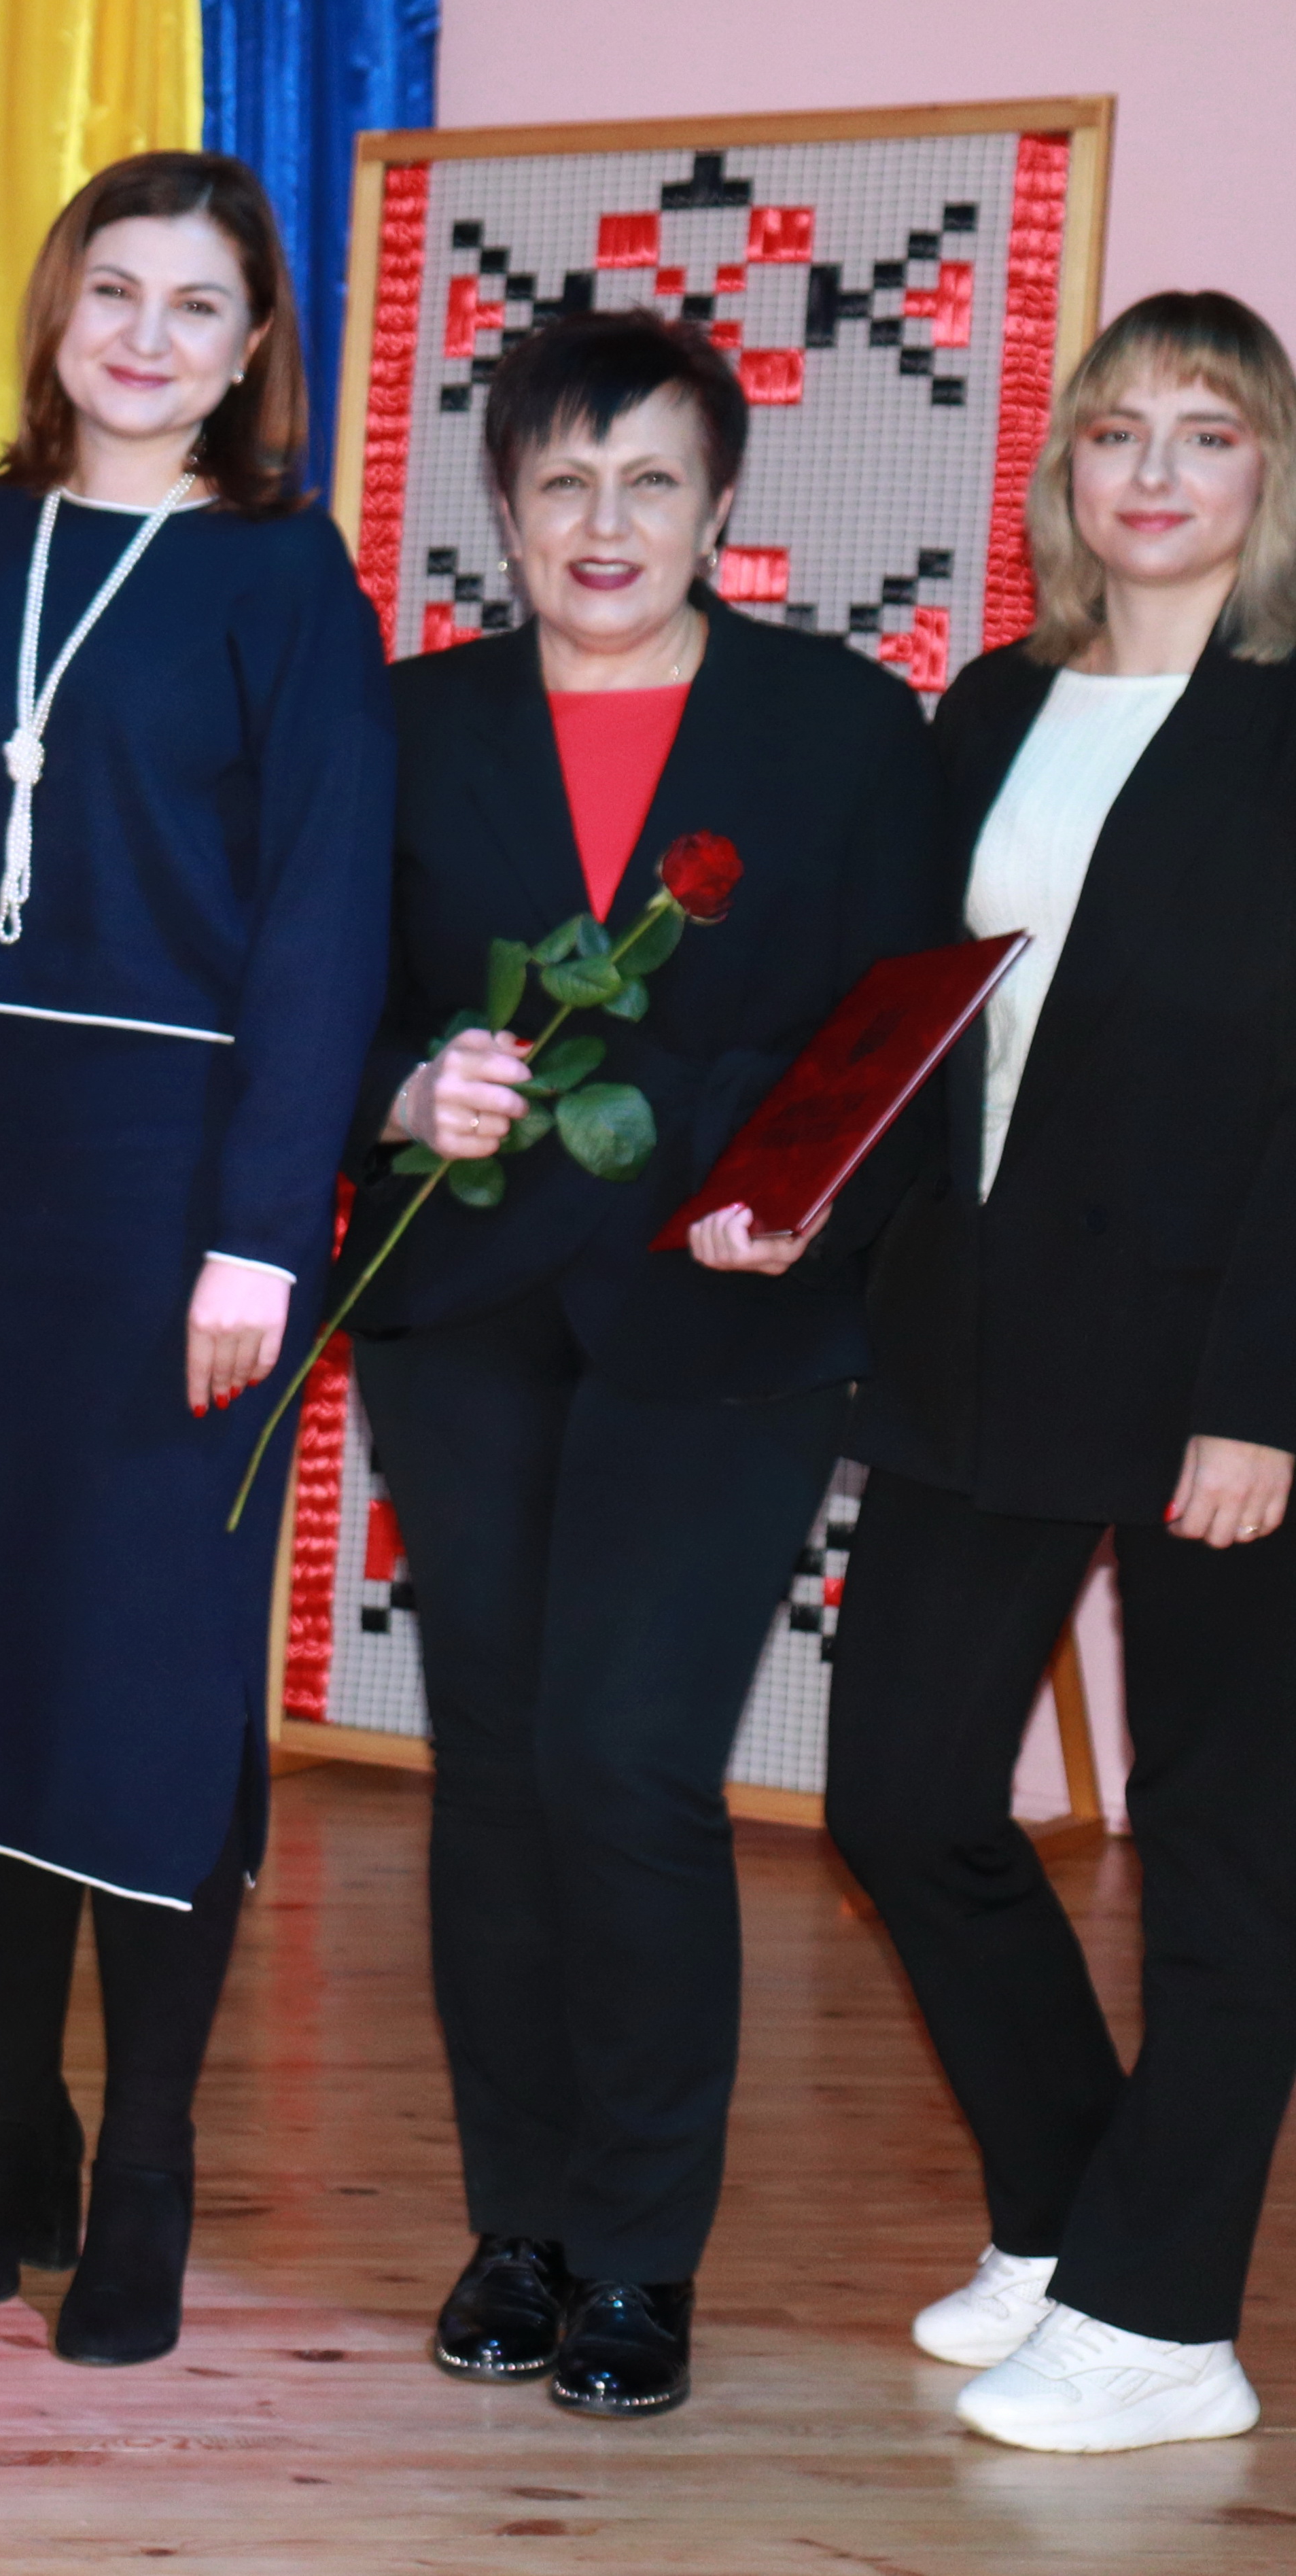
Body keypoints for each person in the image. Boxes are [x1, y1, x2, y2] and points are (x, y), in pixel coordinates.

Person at [337, 313, 942, 2419]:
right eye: (562, 483)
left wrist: (801, 1199)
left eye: (649, 481)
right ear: (502, 509)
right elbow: (316, 999)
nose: (604, 524)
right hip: (468, 1311)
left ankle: (634, 2252)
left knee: (624, 1762)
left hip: (725, 1305)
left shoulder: (838, 724)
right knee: (496, 1773)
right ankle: (515, 2225)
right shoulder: (402, 721)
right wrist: (403, 1091)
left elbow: (901, 1027)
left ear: (717, 507)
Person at [0, 152, 390, 2366]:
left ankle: (146, 2158)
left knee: (140, 1679)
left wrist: (262, 1229)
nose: (146, 338)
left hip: (175, 1196)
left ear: (251, 350)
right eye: (112, 293)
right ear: (54, 313)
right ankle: (10, 2135)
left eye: (195, 307)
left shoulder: (285, 577)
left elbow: (324, 918)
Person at [826, 290, 1296, 2456]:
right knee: (901, 1794)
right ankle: (1067, 2210)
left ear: (1265, 474)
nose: (1155, 472)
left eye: (1206, 432)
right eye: (1116, 431)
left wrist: (1263, 1393)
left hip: (1222, 1360)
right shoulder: (993, 698)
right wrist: (796, 1198)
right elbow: (918, 1016)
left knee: (1222, 1852)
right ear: (1065, 471)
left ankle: (1161, 2320)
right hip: (978, 1326)